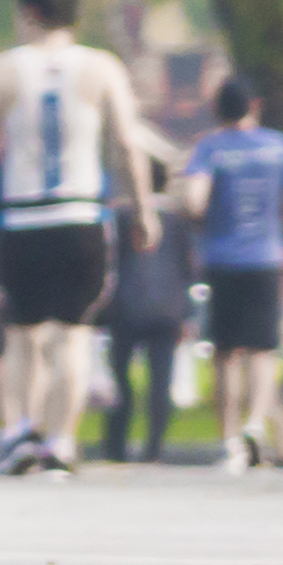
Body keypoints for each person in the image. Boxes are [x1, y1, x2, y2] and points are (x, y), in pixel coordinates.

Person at [0, 0, 164, 476]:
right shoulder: (101, 68)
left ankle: (18, 433)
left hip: (23, 216)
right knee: (73, 334)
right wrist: (144, 209)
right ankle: (61, 442)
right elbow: (127, 143)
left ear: (28, 12)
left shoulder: (1, 70)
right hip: (80, 215)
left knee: (23, 333)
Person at [176, 78, 283, 471]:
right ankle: (256, 425)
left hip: (222, 261)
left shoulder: (210, 148)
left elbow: (194, 201)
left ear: (217, 109)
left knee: (225, 354)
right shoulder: (280, 146)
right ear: (255, 104)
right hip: (268, 260)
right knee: (263, 351)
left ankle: (229, 439)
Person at [102, 187, 194, 464]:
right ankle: (154, 447)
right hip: (167, 307)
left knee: (120, 380)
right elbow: (186, 265)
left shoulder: (119, 217)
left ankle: (116, 445)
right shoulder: (176, 219)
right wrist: (186, 310)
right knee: (160, 381)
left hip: (124, 307)